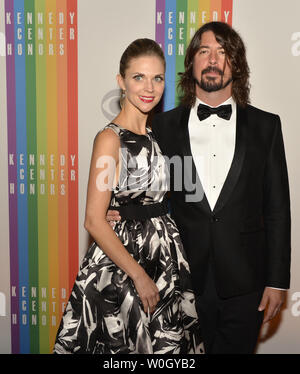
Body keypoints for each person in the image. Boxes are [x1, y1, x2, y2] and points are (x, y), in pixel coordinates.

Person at [107, 22, 291, 354]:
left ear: (237, 64)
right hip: (179, 278)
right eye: (204, 51)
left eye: (223, 52)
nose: (213, 60)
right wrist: (122, 211)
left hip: (246, 282)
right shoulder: (161, 126)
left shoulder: (266, 126)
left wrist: (277, 281)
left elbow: (277, 210)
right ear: (191, 62)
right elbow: (146, 187)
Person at [53, 38, 204, 354]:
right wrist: (138, 275)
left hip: (164, 260)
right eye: (139, 77)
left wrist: (135, 209)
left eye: (157, 78)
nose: (149, 87)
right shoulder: (110, 139)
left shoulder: (157, 134)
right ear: (121, 81)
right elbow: (94, 220)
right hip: (126, 266)